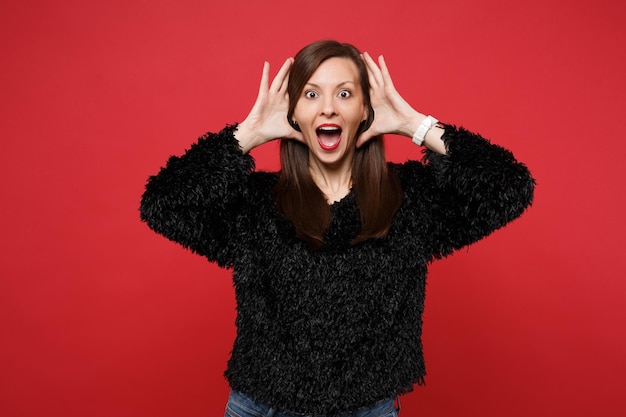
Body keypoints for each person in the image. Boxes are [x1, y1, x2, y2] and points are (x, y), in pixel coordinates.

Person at [140, 40, 534, 417]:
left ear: (366, 109)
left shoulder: (410, 199)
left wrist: (414, 124)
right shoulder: (256, 205)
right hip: (262, 408)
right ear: (293, 112)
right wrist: (250, 133)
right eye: (311, 95)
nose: (328, 108)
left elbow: (510, 187)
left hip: (371, 410)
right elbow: (162, 203)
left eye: (344, 94)